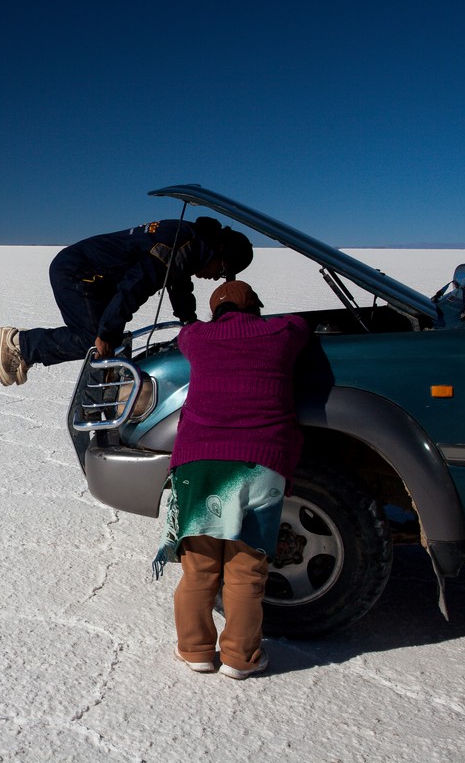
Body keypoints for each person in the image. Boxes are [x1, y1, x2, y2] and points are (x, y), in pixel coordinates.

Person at [152, 280, 310, 679]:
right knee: (245, 569)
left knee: (200, 568)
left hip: (199, 464)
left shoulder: (197, 338)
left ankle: (195, 651)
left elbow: (186, 332)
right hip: (260, 464)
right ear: (255, 307)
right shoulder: (281, 334)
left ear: (214, 312)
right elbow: (300, 325)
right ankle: (241, 657)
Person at [0, 217, 253, 386]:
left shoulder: (189, 242)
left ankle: (108, 396)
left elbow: (179, 285)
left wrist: (189, 321)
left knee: (109, 340)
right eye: (221, 271)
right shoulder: (179, 246)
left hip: (93, 275)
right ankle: (21, 344)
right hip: (79, 272)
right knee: (94, 339)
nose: (215, 278)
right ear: (220, 252)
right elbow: (133, 288)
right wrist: (106, 333)